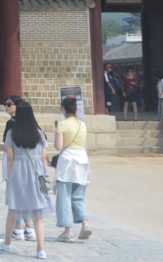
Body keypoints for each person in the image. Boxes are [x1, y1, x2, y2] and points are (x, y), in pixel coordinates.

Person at [0, 101, 51, 259]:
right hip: (36, 172)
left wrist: (8, 176)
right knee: (38, 215)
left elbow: (10, 157)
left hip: (18, 171)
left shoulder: (12, 133)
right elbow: (44, 157)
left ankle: (8, 243)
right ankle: (40, 249)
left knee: (13, 210)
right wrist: (45, 174)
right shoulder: (39, 133)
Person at [54, 96, 92, 243]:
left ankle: (68, 231)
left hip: (68, 161)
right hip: (82, 159)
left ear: (63, 109)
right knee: (78, 195)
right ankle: (85, 223)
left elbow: (58, 146)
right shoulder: (83, 124)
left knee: (64, 195)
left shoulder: (62, 124)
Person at [1, 95, 36, 242]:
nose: (6, 107)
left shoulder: (11, 124)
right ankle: (30, 229)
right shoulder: (32, 125)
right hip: (30, 165)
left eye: (9, 104)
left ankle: (18, 229)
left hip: (16, 163)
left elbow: (8, 149)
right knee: (26, 197)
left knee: (16, 198)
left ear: (17, 106)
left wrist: (8, 174)